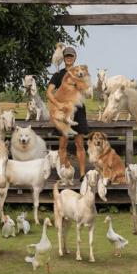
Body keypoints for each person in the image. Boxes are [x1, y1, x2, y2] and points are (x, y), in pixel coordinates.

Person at [46, 46, 88, 179]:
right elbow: (48, 92)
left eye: (71, 56)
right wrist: (57, 104)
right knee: (63, 144)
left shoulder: (80, 73)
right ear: (63, 58)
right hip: (63, 113)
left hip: (79, 111)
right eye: (67, 56)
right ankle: (64, 174)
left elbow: (87, 91)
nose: (69, 58)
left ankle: (82, 174)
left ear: (75, 57)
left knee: (80, 144)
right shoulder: (58, 75)